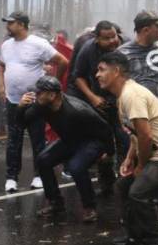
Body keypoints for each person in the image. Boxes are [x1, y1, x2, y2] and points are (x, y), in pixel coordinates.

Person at [96, 51, 158, 245]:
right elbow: (136, 133)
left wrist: (141, 164)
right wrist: (129, 159)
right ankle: (135, 235)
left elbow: (146, 134)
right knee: (122, 187)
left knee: (139, 192)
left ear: (117, 71)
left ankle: (157, 244)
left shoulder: (132, 94)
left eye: (102, 70)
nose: (97, 75)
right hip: (154, 150)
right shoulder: (123, 95)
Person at [17, 76, 112, 223]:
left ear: (52, 95)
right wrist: (21, 107)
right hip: (70, 139)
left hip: (92, 141)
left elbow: (105, 129)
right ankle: (56, 203)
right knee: (43, 160)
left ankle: (89, 207)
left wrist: (108, 153)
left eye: (40, 92)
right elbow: (21, 124)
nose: (36, 95)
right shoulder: (41, 105)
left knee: (76, 167)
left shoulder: (76, 110)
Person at [0, 11, 68, 193]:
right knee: (14, 140)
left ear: (22, 24)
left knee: (38, 140)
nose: (7, 26)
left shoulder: (38, 44)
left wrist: (53, 85)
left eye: (11, 23)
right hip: (13, 100)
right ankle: (11, 178)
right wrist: (1, 86)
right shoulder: (6, 45)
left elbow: (62, 62)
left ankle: (39, 175)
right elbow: (1, 65)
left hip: (35, 101)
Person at [119, 11, 158, 225]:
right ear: (145, 29)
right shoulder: (122, 54)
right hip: (136, 116)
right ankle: (137, 206)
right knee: (136, 160)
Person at [68, 20, 126, 190]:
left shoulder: (127, 46)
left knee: (125, 139)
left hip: (123, 102)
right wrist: (92, 97)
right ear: (96, 39)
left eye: (114, 36)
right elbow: (77, 76)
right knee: (103, 141)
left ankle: (127, 178)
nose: (112, 41)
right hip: (100, 102)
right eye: (106, 38)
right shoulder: (88, 49)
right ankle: (106, 181)